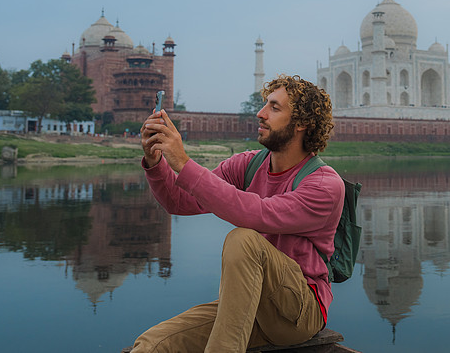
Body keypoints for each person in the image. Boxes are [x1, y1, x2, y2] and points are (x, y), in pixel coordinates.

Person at [132, 74, 344, 352]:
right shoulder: (248, 165)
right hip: (251, 302)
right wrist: (155, 160)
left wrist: (183, 162)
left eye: (274, 108)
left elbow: (256, 213)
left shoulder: (324, 185)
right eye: (264, 105)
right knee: (152, 344)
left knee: (244, 240)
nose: (261, 113)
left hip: (299, 312)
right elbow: (179, 202)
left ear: (302, 123)